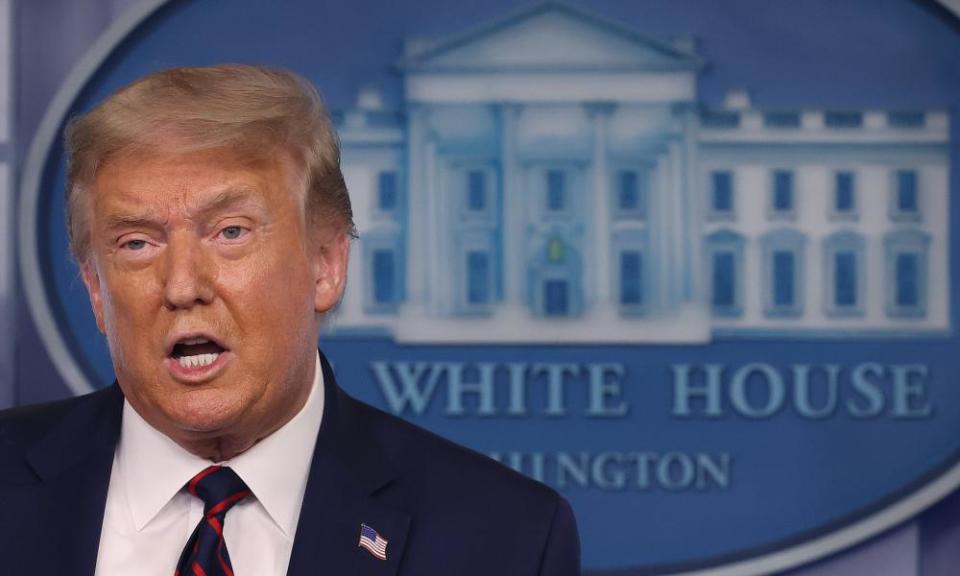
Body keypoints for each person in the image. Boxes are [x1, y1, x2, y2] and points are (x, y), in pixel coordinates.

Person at [0, 64, 579, 575]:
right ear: (96, 290)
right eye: (137, 244)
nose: (181, 287)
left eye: (230, 232)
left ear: (325, 264)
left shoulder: (503, 539)